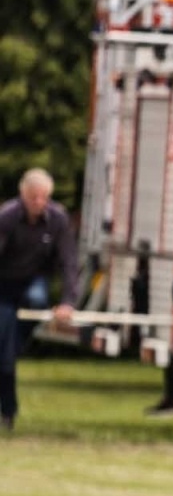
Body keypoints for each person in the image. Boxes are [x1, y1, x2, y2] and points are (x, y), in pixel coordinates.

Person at [0, 169, 78, 431]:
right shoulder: (7, 217)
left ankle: (13, 346)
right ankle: (8, 410)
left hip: (34, 282)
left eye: (44, 197)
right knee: (5, 354)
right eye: (33, 197)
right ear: (22, 194)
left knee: (35, 300)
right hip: (4, 285)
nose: (38, 202)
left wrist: (67, 301)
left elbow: (68, 261)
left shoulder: (58, 219)